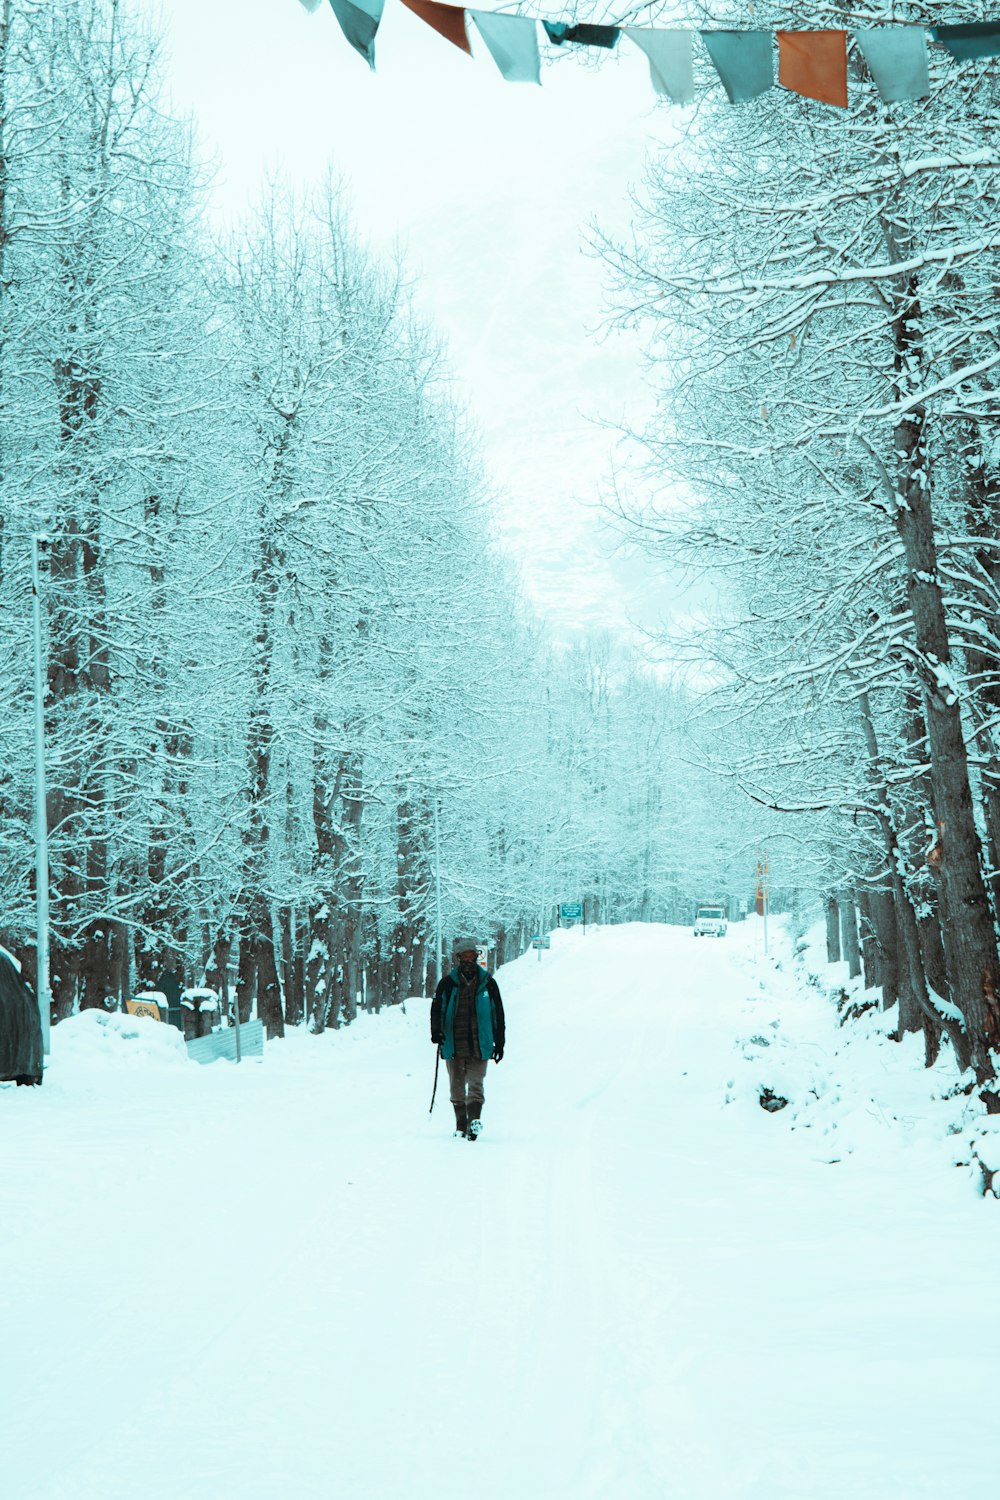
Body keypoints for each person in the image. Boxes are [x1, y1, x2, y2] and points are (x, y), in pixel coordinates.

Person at [431, 937, 505, 1142]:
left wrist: (499, 1043)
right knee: (456, 1085)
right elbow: (436, 1009)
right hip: (453, 1043)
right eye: (464, 956)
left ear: (477, 957)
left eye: (472, 955)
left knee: (476, 1083)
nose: (468, 960)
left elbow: (498, 1013)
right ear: (458, 959)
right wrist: (436, 1032)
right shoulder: (447, 984)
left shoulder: (488, 983)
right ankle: (460, 1125)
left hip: (480, 1044)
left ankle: (474, 1122)